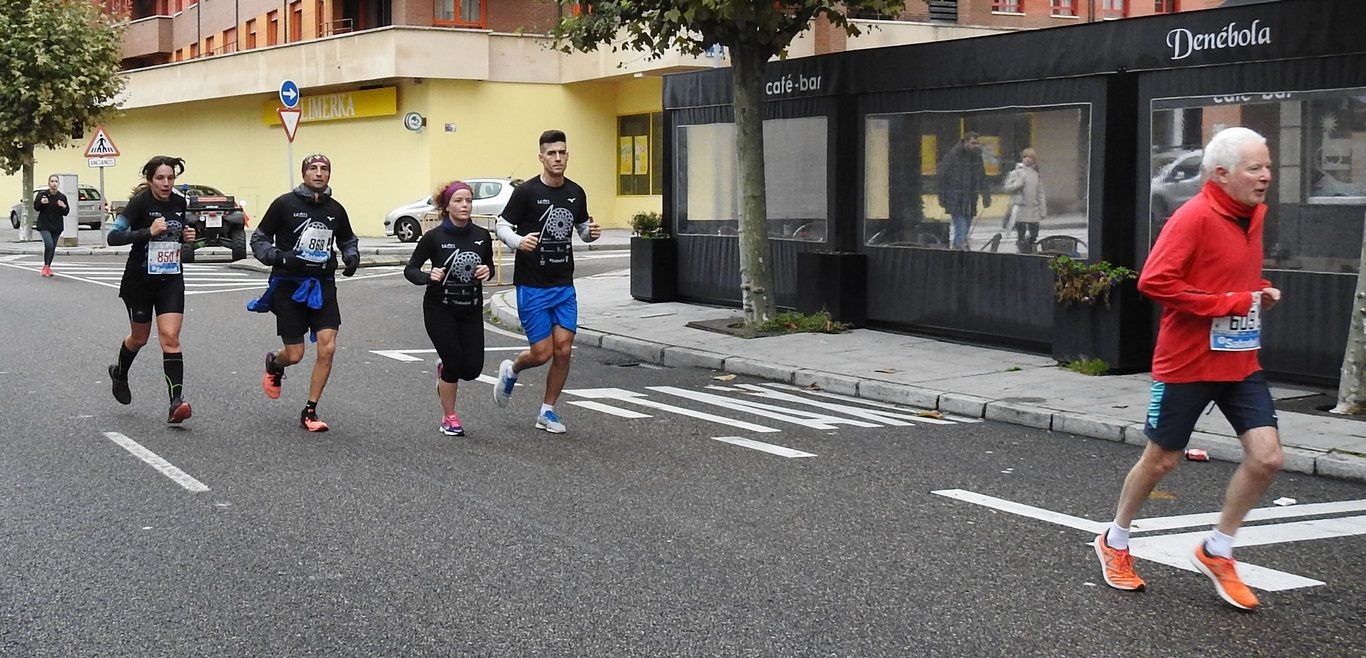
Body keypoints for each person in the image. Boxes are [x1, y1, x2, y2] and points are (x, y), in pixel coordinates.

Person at [1093, 127, 1282, 611]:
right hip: (1187, 362)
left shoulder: (1253, 216)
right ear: (1221, 174)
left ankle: (1217, 550)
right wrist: (1230, 301)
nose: (1266, 176)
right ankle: (1114, 539)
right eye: (1255, 168)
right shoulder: (1193, 216)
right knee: (1162, 460)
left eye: (1267, 166)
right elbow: (1155, 281)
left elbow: (1226, 276)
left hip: (1240, 360)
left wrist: (1257, 289)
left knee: (1266, 458)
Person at [493, 129, 601, 433]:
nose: (557, 158)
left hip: (563, 283)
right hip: (532, 284)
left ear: (567, 155)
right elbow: (502, 225)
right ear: (541, 157)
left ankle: (547, 410)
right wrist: (517, 241)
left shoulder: (576, 192)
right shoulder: (526, 192)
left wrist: (589, 233)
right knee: (542, 353)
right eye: (551, 153)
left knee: (564, 350)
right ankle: (511, 370)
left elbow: (580, 228)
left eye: (562, 152)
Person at [249, 154, 360, 433]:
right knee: (295, 354)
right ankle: (275, 365)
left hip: (322, 284)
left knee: (328, 346)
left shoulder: (336, 209)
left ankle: (310, 411)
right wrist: (278, 257)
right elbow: (259, 238)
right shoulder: (284, 205)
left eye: (324, 169)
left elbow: (348, 238)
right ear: (304, 173)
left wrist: (351, 255)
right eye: (313, 169)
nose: (319, 174)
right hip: (290, 285)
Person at [105, 156, 198, 423]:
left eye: (170, 178)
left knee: (170, 337)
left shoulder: (180, 203)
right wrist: (148, 231)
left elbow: (182, 234)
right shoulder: (139, 204)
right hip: (139, 281)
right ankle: (119, 373)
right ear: (150, 180)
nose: (166, 183)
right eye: (160, 178)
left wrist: (189, 237)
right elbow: (114, 237)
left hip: (170, 279)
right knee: (139, 338)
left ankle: (175, 403)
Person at [404, 181, 495, 436]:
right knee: (454, 360)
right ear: (446, 206)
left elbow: (488, 266)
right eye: (458, 200)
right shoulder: (434, 237)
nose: (464, 205)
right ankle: (449, 417)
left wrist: (488, 270)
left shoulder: (481, 236)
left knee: (472, 369)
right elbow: (410, 269)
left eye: (468, 200)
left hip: (471, 308)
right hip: (439, 308)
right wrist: (427, 276)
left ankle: (444, 370)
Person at [937, 131, 991, 250]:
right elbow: (942, 176)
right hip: (955, 197)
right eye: (973, 143)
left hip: (971, 198)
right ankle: (960, 247)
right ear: (965, 142)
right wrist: (942, 196)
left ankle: (958, 246)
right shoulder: (952, 156)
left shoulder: (977, 157)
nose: (976, 146)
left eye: (977, 143)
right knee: (961, 224)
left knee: (966, 225)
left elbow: (982, 177)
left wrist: (986, 196)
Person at [1001, 148, 1046, 254]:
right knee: (1021, 233)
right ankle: (1022, 249)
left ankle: (1027, 247)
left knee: (1034, 233)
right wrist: (1018, 184)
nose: (1028, 159)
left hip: (1033, 208)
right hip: (1020, 208)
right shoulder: (1015, 172)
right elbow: (1006, 188)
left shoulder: (1036, 174)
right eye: (1025, 157)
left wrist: (1042, 210)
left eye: (1030, 157)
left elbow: (1040, 194)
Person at [33, 175, 70, 277]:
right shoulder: (43, 194)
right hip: (44, 224)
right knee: (49, 244)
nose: (54, 183)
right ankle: (45, 266)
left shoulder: (61, 197)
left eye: (56, 181)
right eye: (52, 181)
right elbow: (36, 207)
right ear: (49, 183)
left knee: (53, 247)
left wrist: (64, 206)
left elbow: (66, 212)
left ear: (58, 184)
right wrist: (42, 203)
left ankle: (47, 267)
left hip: (56, 226)